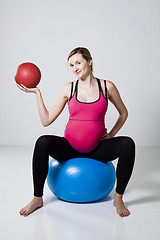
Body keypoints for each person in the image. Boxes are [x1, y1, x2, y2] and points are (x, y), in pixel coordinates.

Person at [17, 47, 135, 217]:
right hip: (70, 149)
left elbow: (124, 113)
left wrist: (112, 135)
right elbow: (46, 120)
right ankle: (37, 197)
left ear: (89, 61)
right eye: (71, 65)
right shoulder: (68, 88)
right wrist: (37, 93)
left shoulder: (107, 86)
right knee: (43, 141)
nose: (75, 68)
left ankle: (118, 198)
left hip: (97, 149)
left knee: (128, 144)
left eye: (78, 63)